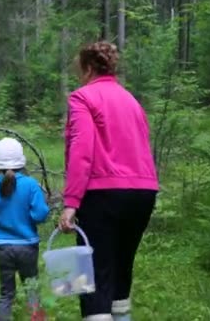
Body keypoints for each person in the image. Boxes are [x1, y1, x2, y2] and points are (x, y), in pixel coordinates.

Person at [58, 41, 159, 321]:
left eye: (80, 69)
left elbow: (81, 151)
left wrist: (71, 202)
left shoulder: (83, 98)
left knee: (92, 274)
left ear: (89, 68)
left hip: (102, 194)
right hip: (143, 193)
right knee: (121, 268)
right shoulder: (132, 101)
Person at [0, 137, 50, 321]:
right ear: (21, 161)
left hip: (4, 248)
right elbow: (40, 215)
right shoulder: (30, 184)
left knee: (6, 294)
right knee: (32, 290)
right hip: (27, 248)